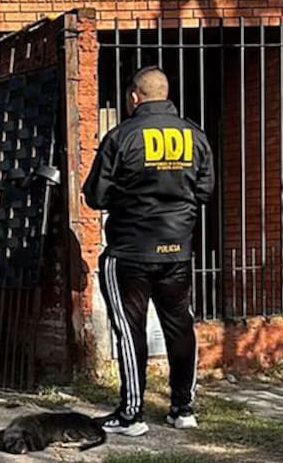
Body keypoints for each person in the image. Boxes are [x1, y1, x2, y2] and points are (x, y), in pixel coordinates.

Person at [83, 66, 214, 437]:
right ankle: (182, 408)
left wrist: (131, 195)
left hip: (129, 251)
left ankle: (131, 414)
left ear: (134, 97)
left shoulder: (121, 136)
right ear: (166, 95)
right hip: (178, 252)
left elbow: (95, 195)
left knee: (130, 330)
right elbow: (205, 191)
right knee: (180, 325)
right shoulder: (195, 135)